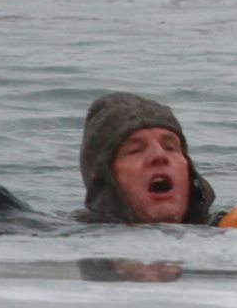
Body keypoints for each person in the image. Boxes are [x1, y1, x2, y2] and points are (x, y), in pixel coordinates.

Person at [75, 91, 216, 225]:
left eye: (170, 147)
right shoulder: (75, 240)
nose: (160, 156)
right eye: (135, 151)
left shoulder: (227, 229)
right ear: (106, 179)